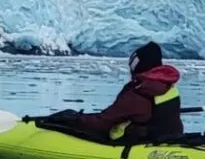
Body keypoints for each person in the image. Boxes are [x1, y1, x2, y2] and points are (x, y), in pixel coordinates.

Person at [55, 41, 184, 145]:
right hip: (168, 138)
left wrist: (74, 119)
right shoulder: (167, 86)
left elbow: (101, 122)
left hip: (140, 142)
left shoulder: (137, 94)